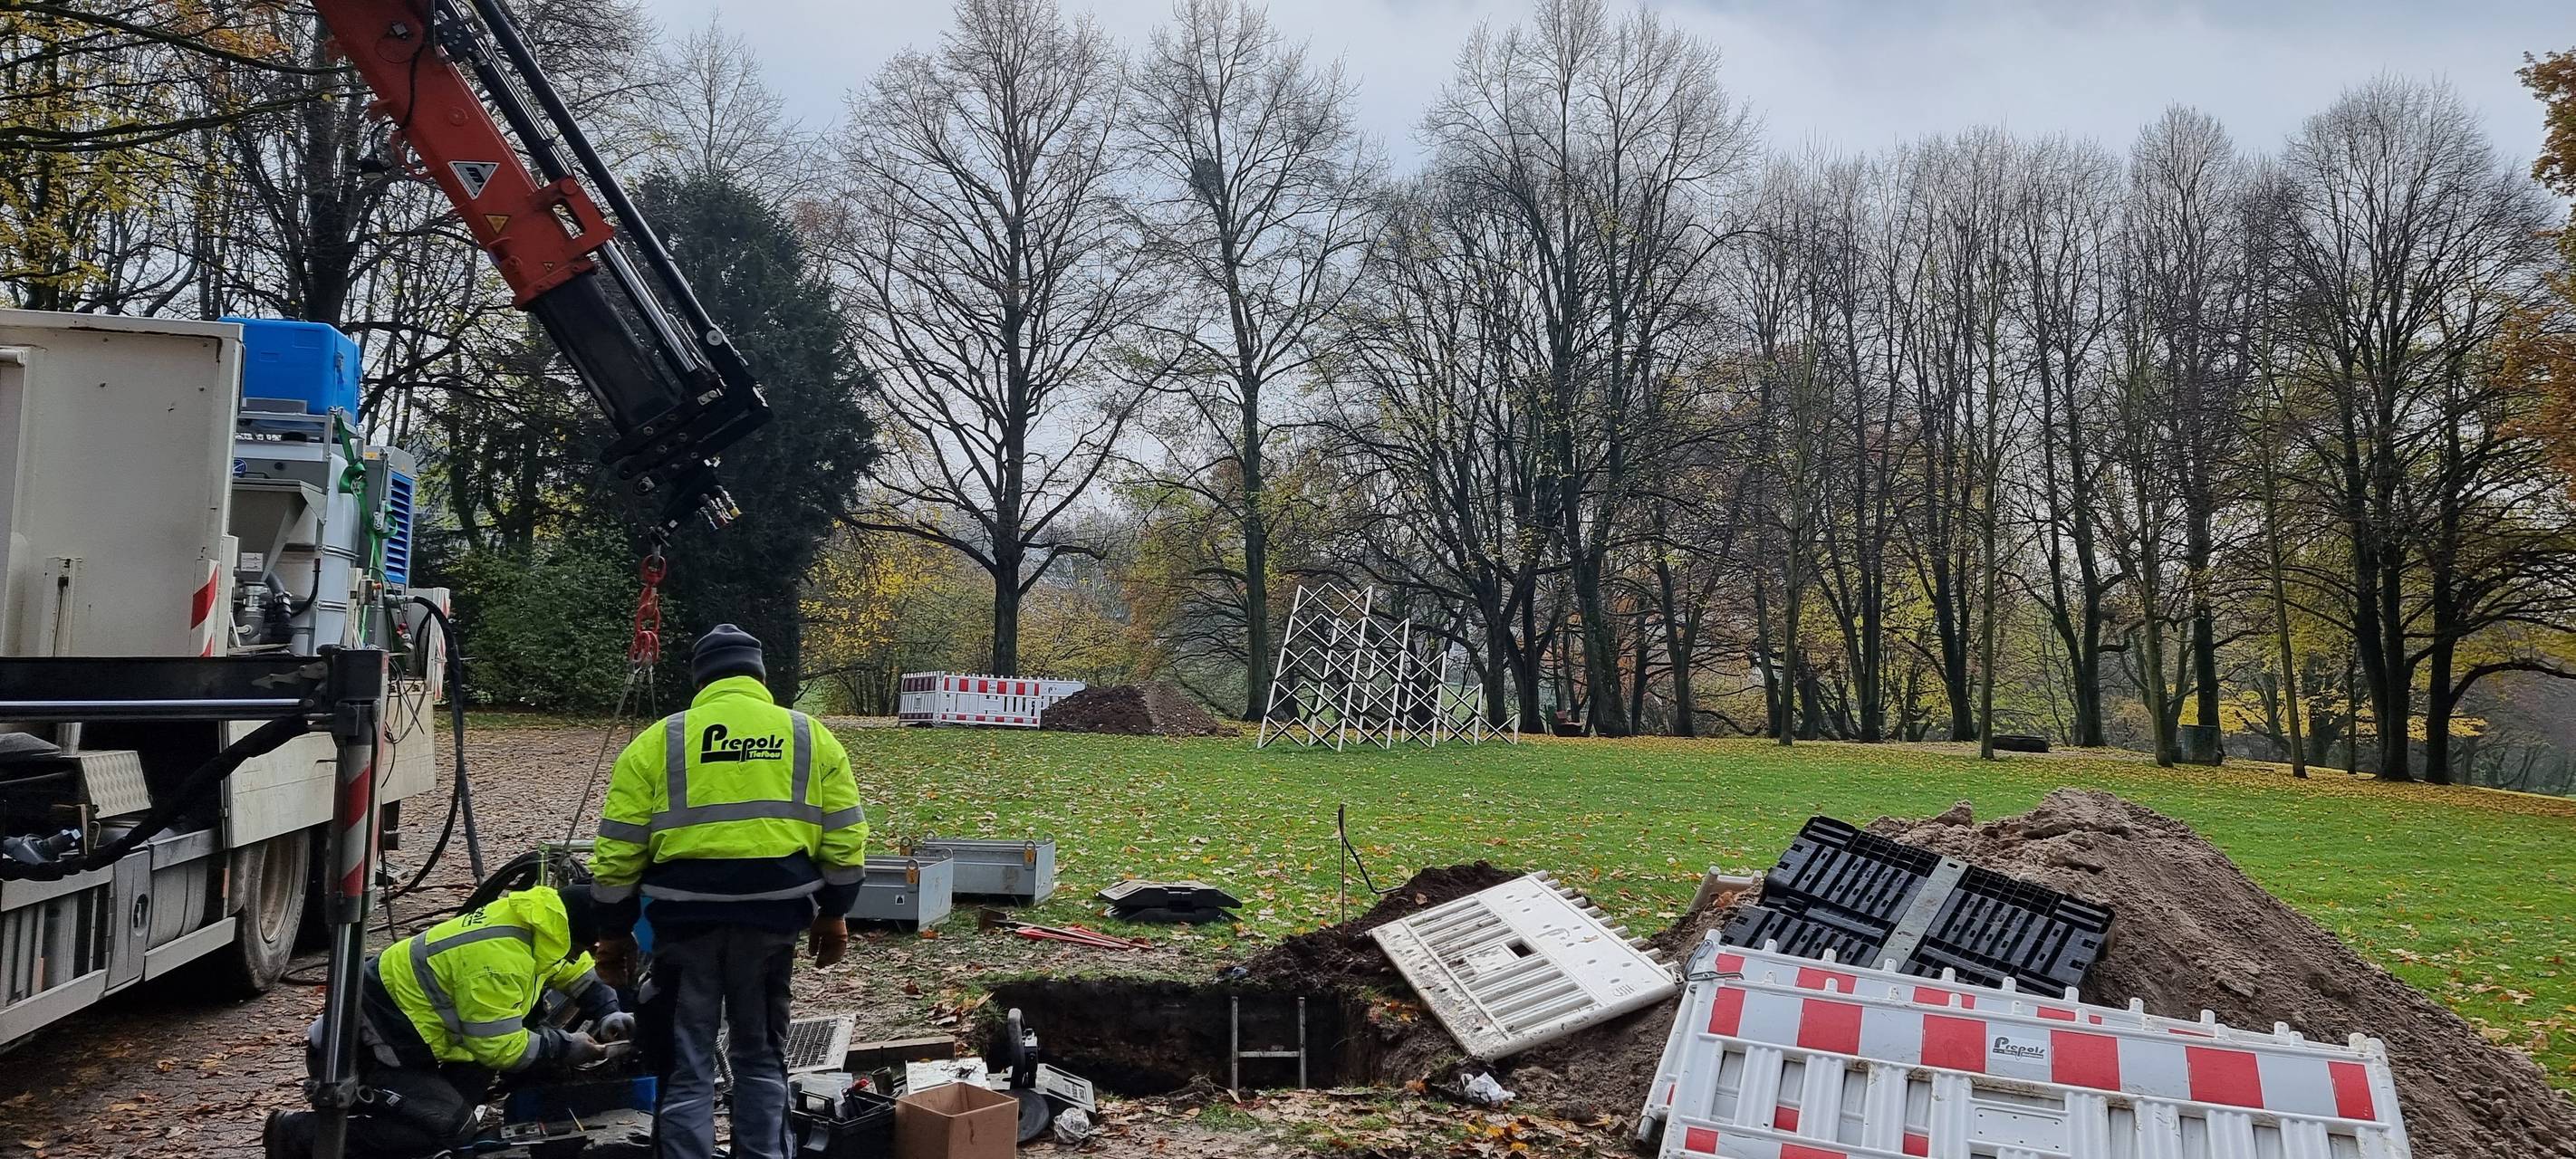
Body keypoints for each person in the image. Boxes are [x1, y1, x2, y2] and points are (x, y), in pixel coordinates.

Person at [589, 624, 868, 1159]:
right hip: (771, 923)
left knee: (685, 1062)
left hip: (683, 926)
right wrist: (835, 913)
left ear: (701, 680)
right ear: (759, 677)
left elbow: (619, 850)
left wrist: (613, 931)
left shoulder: (659, 741)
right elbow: (845, 836)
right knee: (761, 1057)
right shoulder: (810, 736)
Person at [263, 884, 626, 1158]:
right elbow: (501, 1048)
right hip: (356, 1054)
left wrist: (608, 1010)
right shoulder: (500, 961)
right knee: (449, 1128)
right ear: (575, 937)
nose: (588, 955)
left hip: (405, 1042)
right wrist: (565, 1046)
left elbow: (574, 970)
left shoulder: (538, 923)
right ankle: (296, 1134)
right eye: (589, 947)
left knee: (466, 1092)